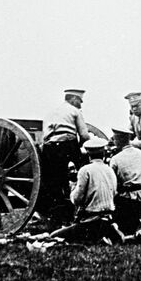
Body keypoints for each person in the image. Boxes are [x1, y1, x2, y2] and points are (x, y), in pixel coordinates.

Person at [40, 88, 92, 225]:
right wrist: (83, 148)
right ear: (74, 99)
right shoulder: (75, 111)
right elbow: (85, 135)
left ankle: (56, 216)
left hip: (49, 148)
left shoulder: (51, 112)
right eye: (80, 101)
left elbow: (44, 136)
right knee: (83, 172)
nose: (81, 103)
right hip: (67, 145)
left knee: (54, 182)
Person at [57, 137, 120, 244]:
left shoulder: (85, 170)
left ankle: (96, 238)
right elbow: (114, 192)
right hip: (108, 217)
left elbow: (77, 199)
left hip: (91, 220)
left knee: (55, 236)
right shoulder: (110, 170)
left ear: (88, 155)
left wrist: (72, 189)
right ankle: (108, 233)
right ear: (103, 154)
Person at [109, 127, 141, 238]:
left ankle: (135, 228)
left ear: (118, 140)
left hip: (130, 201)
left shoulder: (115, 159)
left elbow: (112, 184)